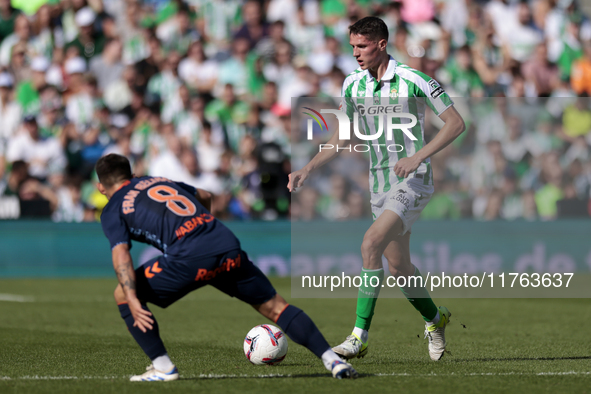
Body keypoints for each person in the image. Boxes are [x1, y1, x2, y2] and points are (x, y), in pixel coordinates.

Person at [288, 17, 466, 361]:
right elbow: (341, 136)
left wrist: (418, 157)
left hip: (413, 180)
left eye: (362, 46)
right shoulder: (352, 85)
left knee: (370, 242)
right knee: (398, 268)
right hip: (379, 184)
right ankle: (435, 319)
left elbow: (456, 123)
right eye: (352, 46)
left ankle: (359, 336)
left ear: (381, 44)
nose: (355, 53)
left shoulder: (414, 80)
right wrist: (308, 167)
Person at [95, 153, 357, 381]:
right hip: (222, 240)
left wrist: (132, 297)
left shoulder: (112, 209)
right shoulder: (156, 180)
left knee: (122, 294)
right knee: (276, 307)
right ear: (132, 173)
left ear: (100, 187)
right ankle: (333, 361)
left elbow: (121, 255)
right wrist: (203, 227)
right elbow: (206, 195)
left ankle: (163, 368)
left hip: (188, 256)